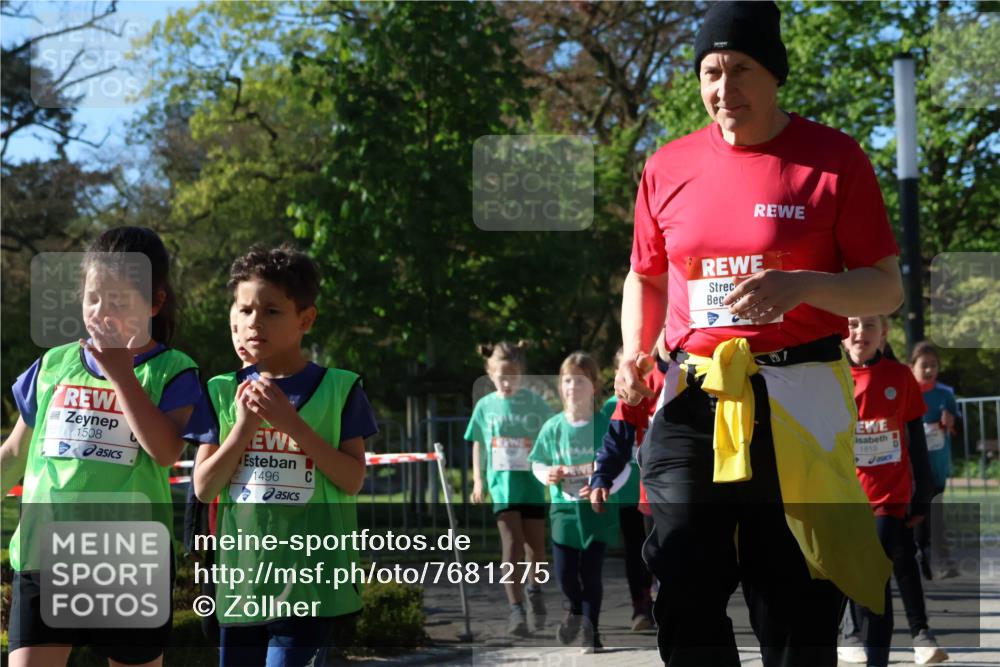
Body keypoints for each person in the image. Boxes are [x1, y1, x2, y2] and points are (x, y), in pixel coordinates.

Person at [613, 2, 904, 665]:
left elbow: (885, 285)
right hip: (695, 391)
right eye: (710, 72)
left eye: (740, 69)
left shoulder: (833, 159)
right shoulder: (666, 165)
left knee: (796, 589)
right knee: (681, 565)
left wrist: (804, 285)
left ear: (774, 73)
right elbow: (646, 275)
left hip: (799, 392)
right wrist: (636, 346)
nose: (724, 88)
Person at [1, 227, 203, 667]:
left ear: (154, 303)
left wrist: (121, 375)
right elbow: (15, 453)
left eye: (118, 301)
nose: (101, 312)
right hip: (44, 553)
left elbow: (167, 452)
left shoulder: (173, 370)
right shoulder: (53, 364)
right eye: (93, 298)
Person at [192, 244, 378, 667]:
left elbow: (351, 479)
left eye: (271, 311)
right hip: (241, 583)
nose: (254, 322)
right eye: (244, 310)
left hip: (310, 583)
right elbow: (204, 487)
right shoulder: (221, 391)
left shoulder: (342, 388)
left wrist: (291, 424)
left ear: (305, 319)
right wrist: (243, 428)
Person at [839, 316, 947, 666]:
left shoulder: (900, 376)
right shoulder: (829, 377)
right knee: (864, 576)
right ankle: (857, 638)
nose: (859, 333)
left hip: (889, 494)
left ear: (883, 332)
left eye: (869, 325)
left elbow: (915, 439)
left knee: (878, 570)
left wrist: (924, 491)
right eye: (852, 324)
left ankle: (886, 651)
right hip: (844, 496)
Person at [529, 352, 618, 654]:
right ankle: (575, 608)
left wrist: (602, 485)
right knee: (566, 574)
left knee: (591, 574)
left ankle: (591, 634)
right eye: (567, 380)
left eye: (580, 381)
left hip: (595, 509)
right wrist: (547, 474)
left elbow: (624, 466)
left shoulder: (604, 424)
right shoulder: (553, 426)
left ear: (594, 385)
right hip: (563, 510)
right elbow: (538, 462)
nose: (572, 387)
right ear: (560, 385)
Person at [464, 341, 551, 635]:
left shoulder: (536, 403)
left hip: (532, 485)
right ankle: (516, 610)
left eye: (512, 375)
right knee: (511, 544)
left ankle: (534, 589)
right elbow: (478, 443)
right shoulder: (485, 406)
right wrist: (478, 480)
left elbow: (550, 437)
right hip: (502, 486)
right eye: (501, 375)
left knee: (535, 548)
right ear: (489, 374)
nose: (506, 381)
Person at [590, 339, 672, 632]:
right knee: (651, 557)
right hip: (652, 494)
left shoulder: (700, 371)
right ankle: (646, 607)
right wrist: (602, 476)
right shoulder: (643, 382)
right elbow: (617, 437)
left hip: (699, 492)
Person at [910, 341, 960, 580]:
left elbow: (954, 425)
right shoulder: (907, 391)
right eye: (924, 365)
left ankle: (942, 560)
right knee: (920, 511)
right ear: (912, 367)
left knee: (937, 511)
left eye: (933, 365)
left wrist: (949, 422)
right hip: (913, 466)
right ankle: (921, 554)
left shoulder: (945, 393)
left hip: (938, 464)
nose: (929, 370)